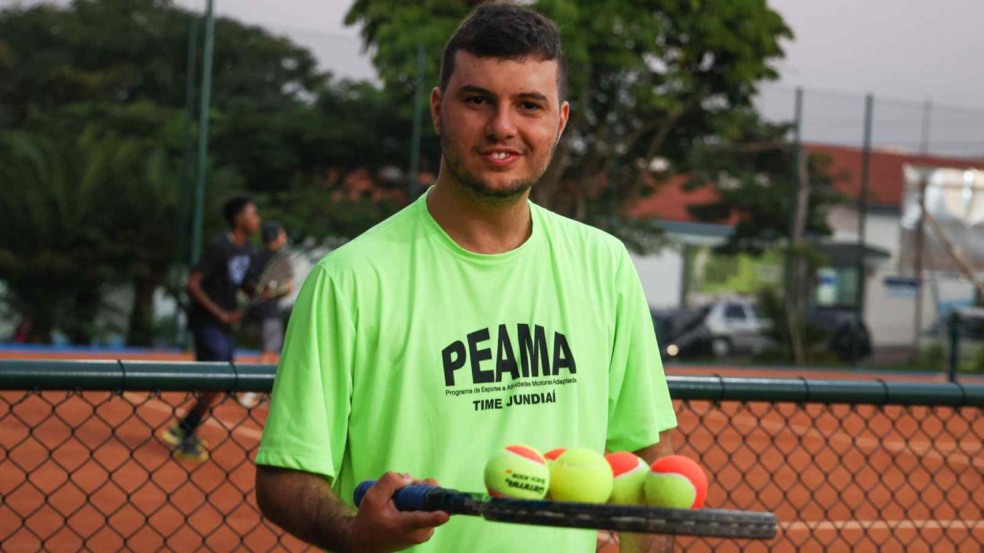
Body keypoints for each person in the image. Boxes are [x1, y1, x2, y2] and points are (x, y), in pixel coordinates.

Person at [255, 4, 677, 553]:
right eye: (477, 100)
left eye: (529, 105)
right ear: (438, 109)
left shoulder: (606, 265)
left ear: (560, 121)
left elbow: (645, 461)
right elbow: (285, 478)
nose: (502, 126)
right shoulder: (349, 280)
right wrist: (355, 533)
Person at [160, 196, 261, 462]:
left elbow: (243, 284)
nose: (257, 220)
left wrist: (262, 290)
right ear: (238, 218)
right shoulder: (219, 247)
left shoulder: (248, 249)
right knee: (215, 378)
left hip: (225, 326)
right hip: (207, 324)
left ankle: (184, 427)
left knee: (220, 381)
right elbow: (192, 284)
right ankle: (185, 430)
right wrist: (220, 313)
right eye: (253, 214)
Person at [238, 220, 293, 408]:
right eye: (282, 234)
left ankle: (266, 392)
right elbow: (287, 287)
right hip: (270, 310)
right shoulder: (280, 258)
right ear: (275, 237)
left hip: (256, 310)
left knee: (269, 351)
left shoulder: (256, 256)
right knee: (269, 352)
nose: (284, 238)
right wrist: (275, 292)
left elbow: (245, 284)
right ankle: (250, 392)